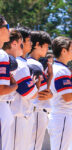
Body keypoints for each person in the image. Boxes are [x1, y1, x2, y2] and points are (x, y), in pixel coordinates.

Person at [48, 36, 72, 150]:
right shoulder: (62, 70)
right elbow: (67, 97)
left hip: (61, 115)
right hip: (62, 116)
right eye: (71, 49)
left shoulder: (59, 68)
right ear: (63, 50)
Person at [27, 30, 53, 150]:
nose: (47, 50)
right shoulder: (35, 64)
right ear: (37, 44)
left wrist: (50, 76)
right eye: (46, 46)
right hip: (37, 110)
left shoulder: (32, 62)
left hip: (35, 110)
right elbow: (43, 94)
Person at [0, 14, 18, 150]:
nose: (9, 30)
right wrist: (14, 85)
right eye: (7, 26)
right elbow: (1, 90)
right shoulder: (2, 55)